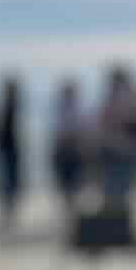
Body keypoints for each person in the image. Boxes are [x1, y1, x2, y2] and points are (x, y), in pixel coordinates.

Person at [96, 63, 136, 210]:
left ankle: (118, 224)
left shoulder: (119, 98)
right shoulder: (129, 98)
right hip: (119, 150)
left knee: (117, 190)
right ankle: (118, 223)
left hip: (119, 151)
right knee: (118, 190)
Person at [51, 79, 86, 212]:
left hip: (73, 151)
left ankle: (71, 208)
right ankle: (69, 208)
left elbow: (81, 131)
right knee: (65, 183)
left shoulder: (78, 109)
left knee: (73, 183)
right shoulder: (60, 109)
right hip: (64, 151)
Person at [0, 74, 23, 222]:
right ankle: (9, 207)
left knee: (9, 179)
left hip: (10, 147)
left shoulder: (11, 105)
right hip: (9, 147)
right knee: (9, 179)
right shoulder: (10, 105)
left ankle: (9, 208)